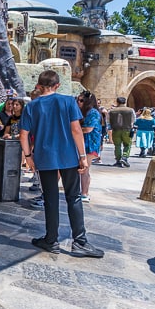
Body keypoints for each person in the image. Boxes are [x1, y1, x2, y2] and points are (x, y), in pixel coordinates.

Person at [19, 70, 104, 258]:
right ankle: (80, 242)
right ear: (57, 85)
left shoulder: (31, 106)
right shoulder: (68, 101)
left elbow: (23, 135)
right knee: (73, 197)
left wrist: (28, 157)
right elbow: (76, 130)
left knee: (50, 199)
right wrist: (82, 156)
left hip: (45, 157)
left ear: (39, 86)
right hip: (68, 157)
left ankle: (51, 240)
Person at [77, 91, 101, 203]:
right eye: (77, 100)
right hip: (81, 142)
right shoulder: (81, 112)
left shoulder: (93, 113)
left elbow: (88, 129)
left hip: (90, 144)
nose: (78, 102)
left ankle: (85, 193)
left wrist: (73, 131)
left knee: (84, 168)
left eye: (81, 100)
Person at [107, 96, 135, 167]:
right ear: (125, 102)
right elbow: (133, 120)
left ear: (117, 102)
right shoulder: (130, 110)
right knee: (127, 144)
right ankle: (124, 157)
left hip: (116, 130)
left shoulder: (111, 111)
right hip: (127, 129)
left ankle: (118, 160)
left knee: (117, 145)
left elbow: (108, 121)